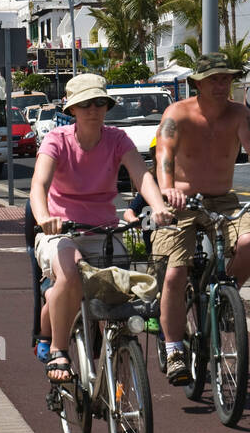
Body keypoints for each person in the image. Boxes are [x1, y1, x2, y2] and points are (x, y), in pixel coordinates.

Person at [32, 73, 174, 384]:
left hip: (105, 230)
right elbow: (39, 185)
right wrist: (44, 217)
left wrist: (159, 206)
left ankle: (114, 354)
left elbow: (142, 176)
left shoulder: (117, 139)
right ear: (72, 110)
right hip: (62, 232)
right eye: (85, 105)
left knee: (120, 288)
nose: (93, 110)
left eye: (99, 103)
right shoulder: (57, 140)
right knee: (71, 273)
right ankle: (57, 347)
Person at [154, 53, 250, 385]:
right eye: (213, 78)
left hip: (224, 201)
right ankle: (173, 349)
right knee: (174, 274)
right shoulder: (177, 114)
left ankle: (225, 297)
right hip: (182, 201)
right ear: (196, 82)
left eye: (226, 78)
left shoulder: (240, 114)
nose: (221, 84)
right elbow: (164, 155)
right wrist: (168, 191)